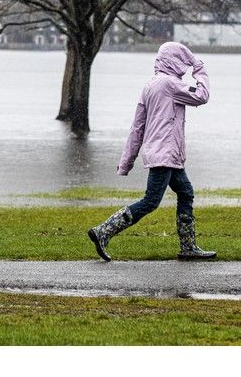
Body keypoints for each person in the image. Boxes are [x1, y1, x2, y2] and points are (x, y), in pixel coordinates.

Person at [88, 41, 217, 261]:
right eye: (184, 61)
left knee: (186, 192)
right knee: (150, 201)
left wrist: (126, 161)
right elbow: (202, 95)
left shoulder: (150, 86)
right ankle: (104, 231)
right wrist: (200, 68)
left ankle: (188, 246)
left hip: (165, 154)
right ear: (175, 61)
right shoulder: (170, 84)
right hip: (165, 154)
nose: (185, 66)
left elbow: (137, 127)